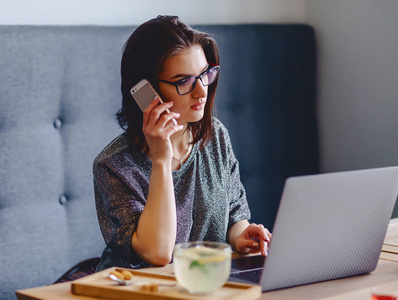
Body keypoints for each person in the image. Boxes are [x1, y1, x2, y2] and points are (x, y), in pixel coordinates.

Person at [94, 15, 272, 270]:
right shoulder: (112, 165)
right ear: (147, 91)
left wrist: (240, 235)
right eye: (183, 81)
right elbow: (157, 253)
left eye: (204, 75)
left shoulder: (216, 136)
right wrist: (161, 160)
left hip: (202, 283)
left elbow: (234, 215)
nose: (202, 91)